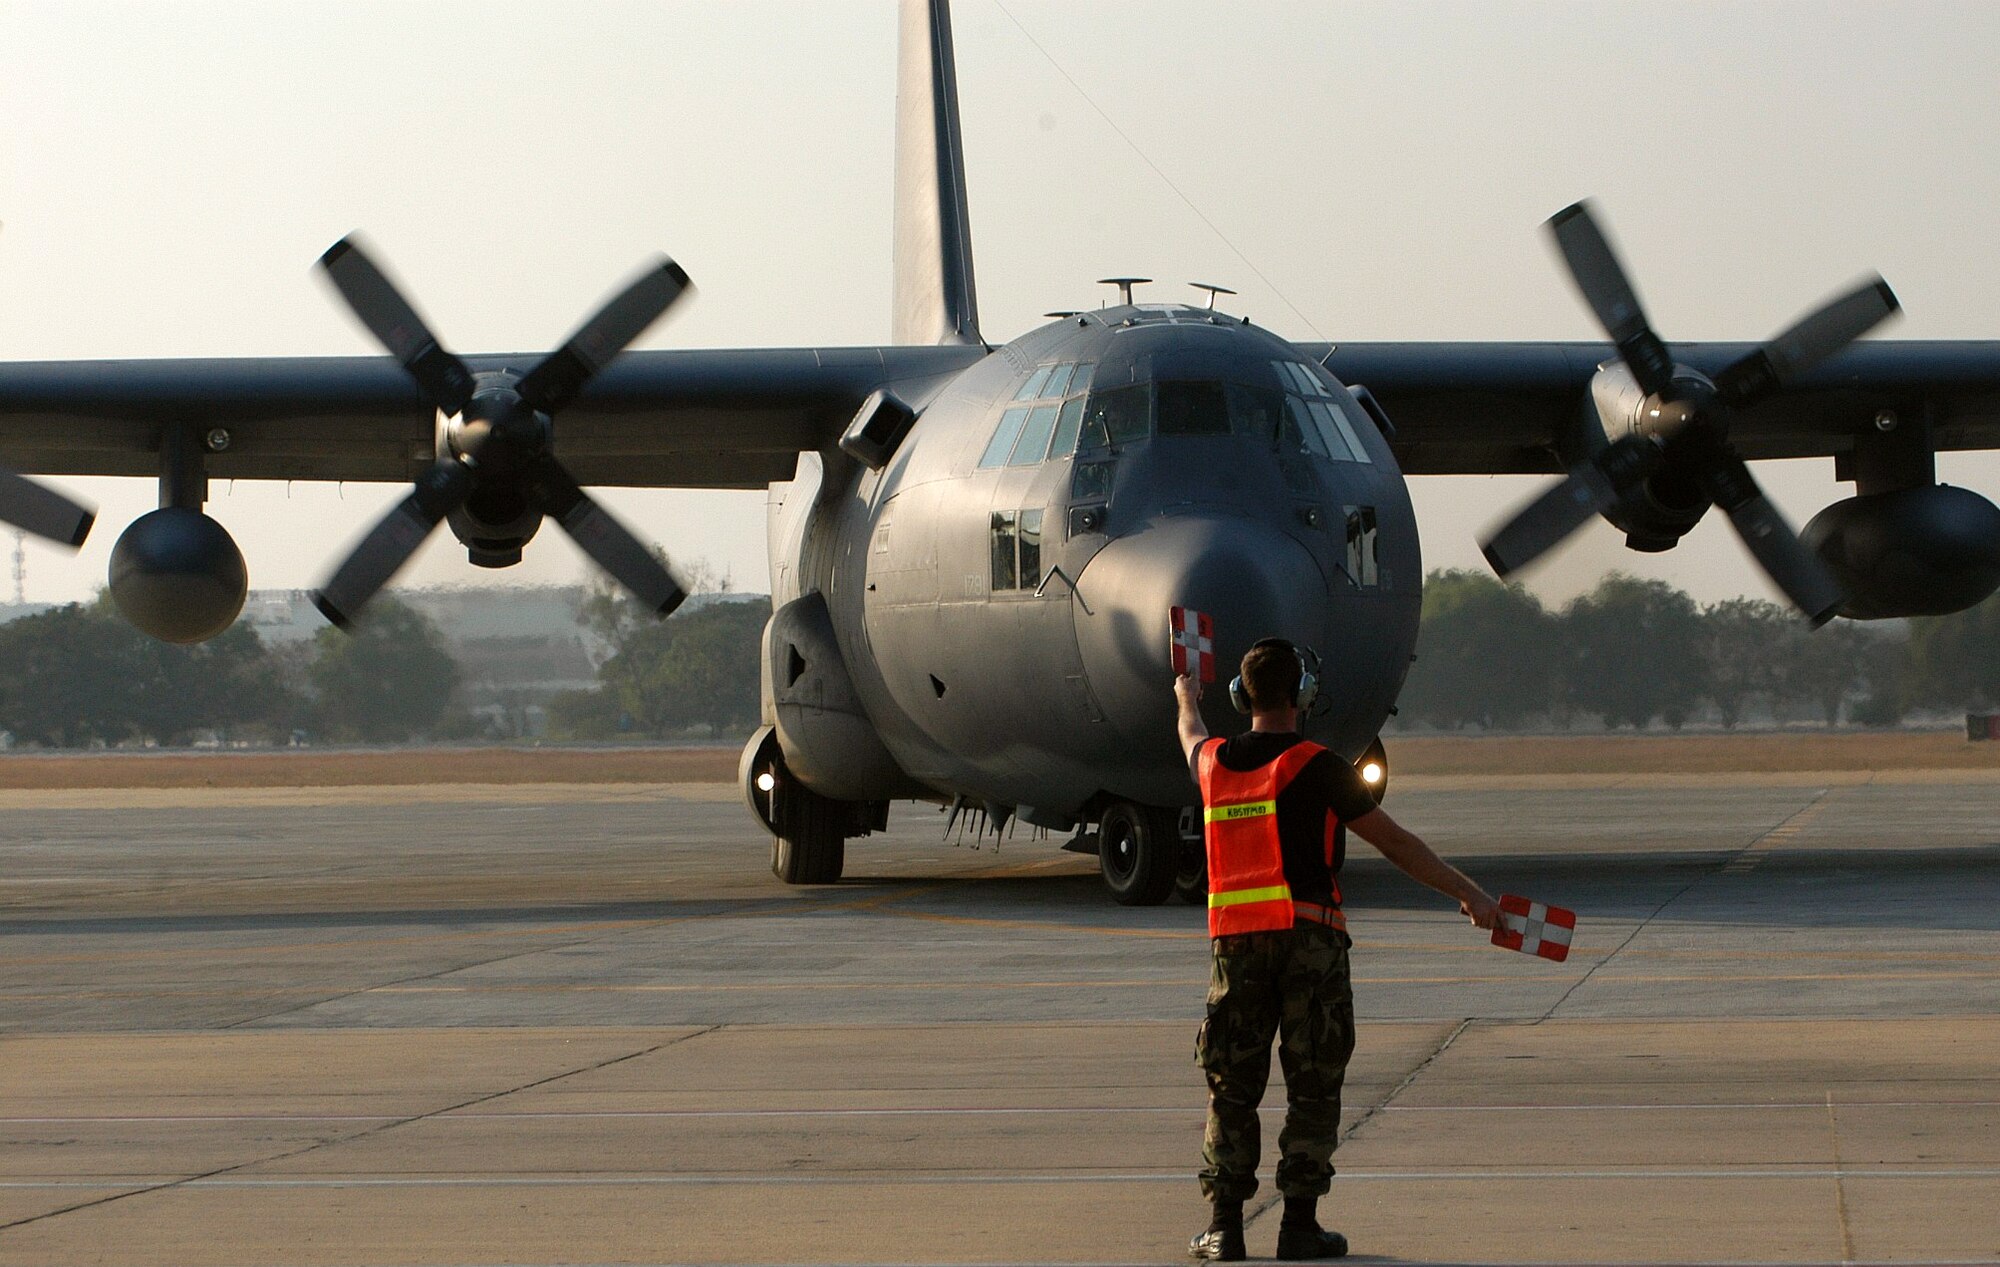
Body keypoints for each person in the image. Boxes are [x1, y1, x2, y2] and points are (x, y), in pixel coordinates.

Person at [1174, 637, 1503, 1262]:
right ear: (1302, 695)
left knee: (1231, 1085)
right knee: (1314, 1082)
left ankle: (1224, 1228)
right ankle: (1299, 1225)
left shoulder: (1212, 763)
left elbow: (1189, 732)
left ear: (1242, 696)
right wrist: (1468, 893)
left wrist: (1186, 696)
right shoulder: (1318, 765)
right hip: (1311, 944)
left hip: (1236, 949)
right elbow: (1397, 843)